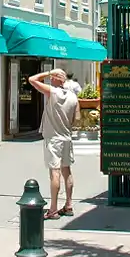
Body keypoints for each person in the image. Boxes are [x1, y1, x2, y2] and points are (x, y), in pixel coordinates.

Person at [28, 68, 80, 219]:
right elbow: (76, 119)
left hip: (54, 139)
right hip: (66, 138)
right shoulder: (73, 97)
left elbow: (32, 79)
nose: (50, 79)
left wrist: (48, 73)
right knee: (67, 171)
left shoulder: (53, 92)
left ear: (57, 79)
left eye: (53, 77)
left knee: (54, 173)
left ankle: (53, 209)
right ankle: (69, 205)